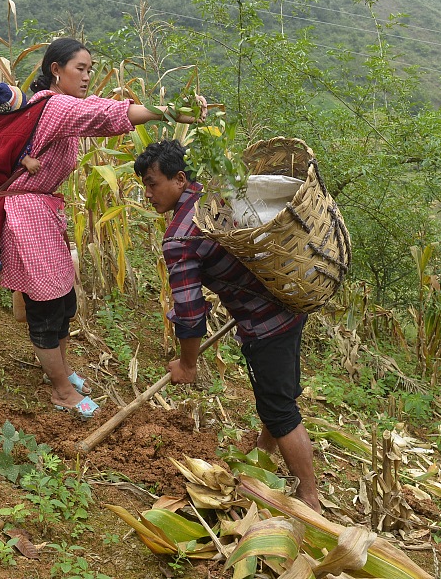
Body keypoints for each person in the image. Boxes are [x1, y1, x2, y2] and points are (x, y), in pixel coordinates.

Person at [0, 38, 206, 419]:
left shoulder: (53, 106)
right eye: (80, 68)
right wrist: (169, 111)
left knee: (63, 298)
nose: (87, 76)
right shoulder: (54, 104)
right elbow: (105, 116)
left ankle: (61, 370)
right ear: (55, 70)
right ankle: (61, 391)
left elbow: (97, 114)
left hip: (41, 211)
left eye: (91, 69)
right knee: (45, 306)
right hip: (27, 213)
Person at [133, 140, 322, 513]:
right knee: (279, 396)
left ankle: (310, 499)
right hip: (290, 302)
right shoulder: (219, 193)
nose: (148, 193)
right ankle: (263, 452)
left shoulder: (180, 238)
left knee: (280, 410)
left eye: (153, 183)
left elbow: (189, 314)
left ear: (180, 179)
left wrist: (187, 365)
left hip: (264, 327)